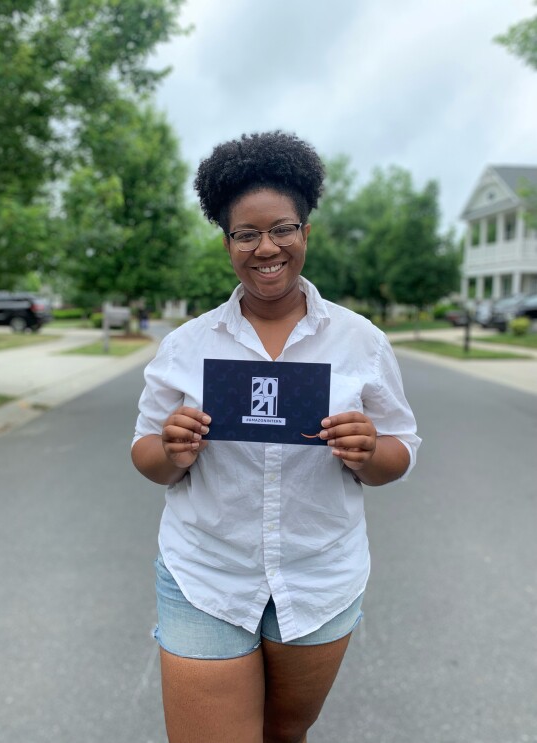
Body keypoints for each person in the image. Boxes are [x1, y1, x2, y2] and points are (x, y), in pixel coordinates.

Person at [131, 131, 421, 743]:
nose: (267, 247)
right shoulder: (187, 346)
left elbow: (400, 451)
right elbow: (147, 457)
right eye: (246, 233)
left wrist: (370, 452)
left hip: (318, 578)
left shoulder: (361, 342)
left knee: (285, 733)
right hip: (205, 573)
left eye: (282, 228)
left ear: (306, 232)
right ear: (227, 241)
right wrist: (171, 448)